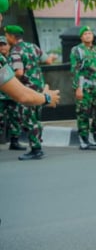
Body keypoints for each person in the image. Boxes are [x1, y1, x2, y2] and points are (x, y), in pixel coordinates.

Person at [5, 25, 56, 160]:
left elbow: (19, 73)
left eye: (6, 35)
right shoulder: (33, 47)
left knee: (28, 120)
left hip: (27, 90)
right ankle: (37, 145)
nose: (5, 38)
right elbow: (48, 60)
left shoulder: (15, 51)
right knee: (36, 119)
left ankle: (36, 149)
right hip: (38, 88)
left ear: (11, 36)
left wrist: (8, 81)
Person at [70, 26, 96, 150]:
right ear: (81, 37)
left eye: (90, 33)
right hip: (84, 85)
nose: (88, 35)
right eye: (85, 33)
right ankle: (84, 139)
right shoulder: (77, 50)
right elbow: (75, 70)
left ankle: (94, 135)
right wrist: (77, 88)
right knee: (83, 113)